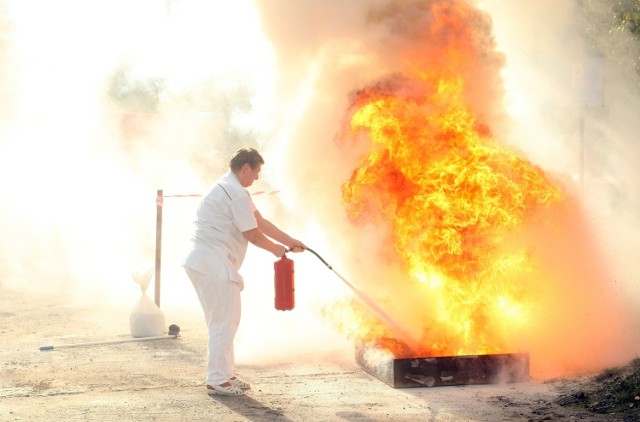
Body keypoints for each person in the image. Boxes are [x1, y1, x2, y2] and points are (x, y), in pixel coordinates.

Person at [183, 147, 306, 396]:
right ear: (246, 167)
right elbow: (252, 234)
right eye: (257, 171)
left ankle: (226, 374)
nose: (257, 178)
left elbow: (259, 222)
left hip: (206, 262)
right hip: (213, 263)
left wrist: (291, 240)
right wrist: (277, 250)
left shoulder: (229, 187)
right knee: (223, 323)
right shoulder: (236, 193)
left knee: (226, 322)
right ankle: (217, 379)